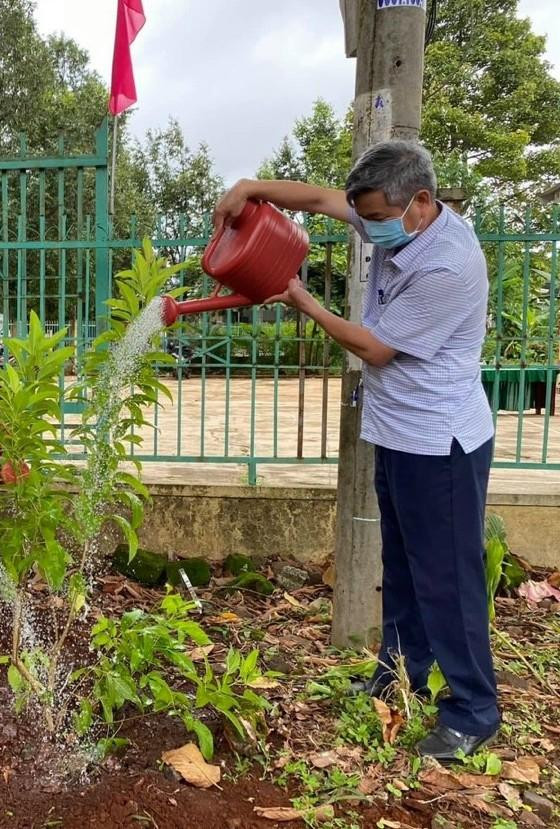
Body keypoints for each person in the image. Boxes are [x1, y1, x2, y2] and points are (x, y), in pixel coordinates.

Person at [214, 140, 498, 762]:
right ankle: (400, 675)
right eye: (363, 216)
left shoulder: (448, 264)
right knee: (403, 567)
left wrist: (302, 299)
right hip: (399, 432)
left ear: (420, 203)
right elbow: (317, 199)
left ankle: (474, 711)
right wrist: (250, 187)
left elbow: (374, 348)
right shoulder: (391, 213)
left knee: (447, 579)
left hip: (440, 441)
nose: (368, 228)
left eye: (376, 219)